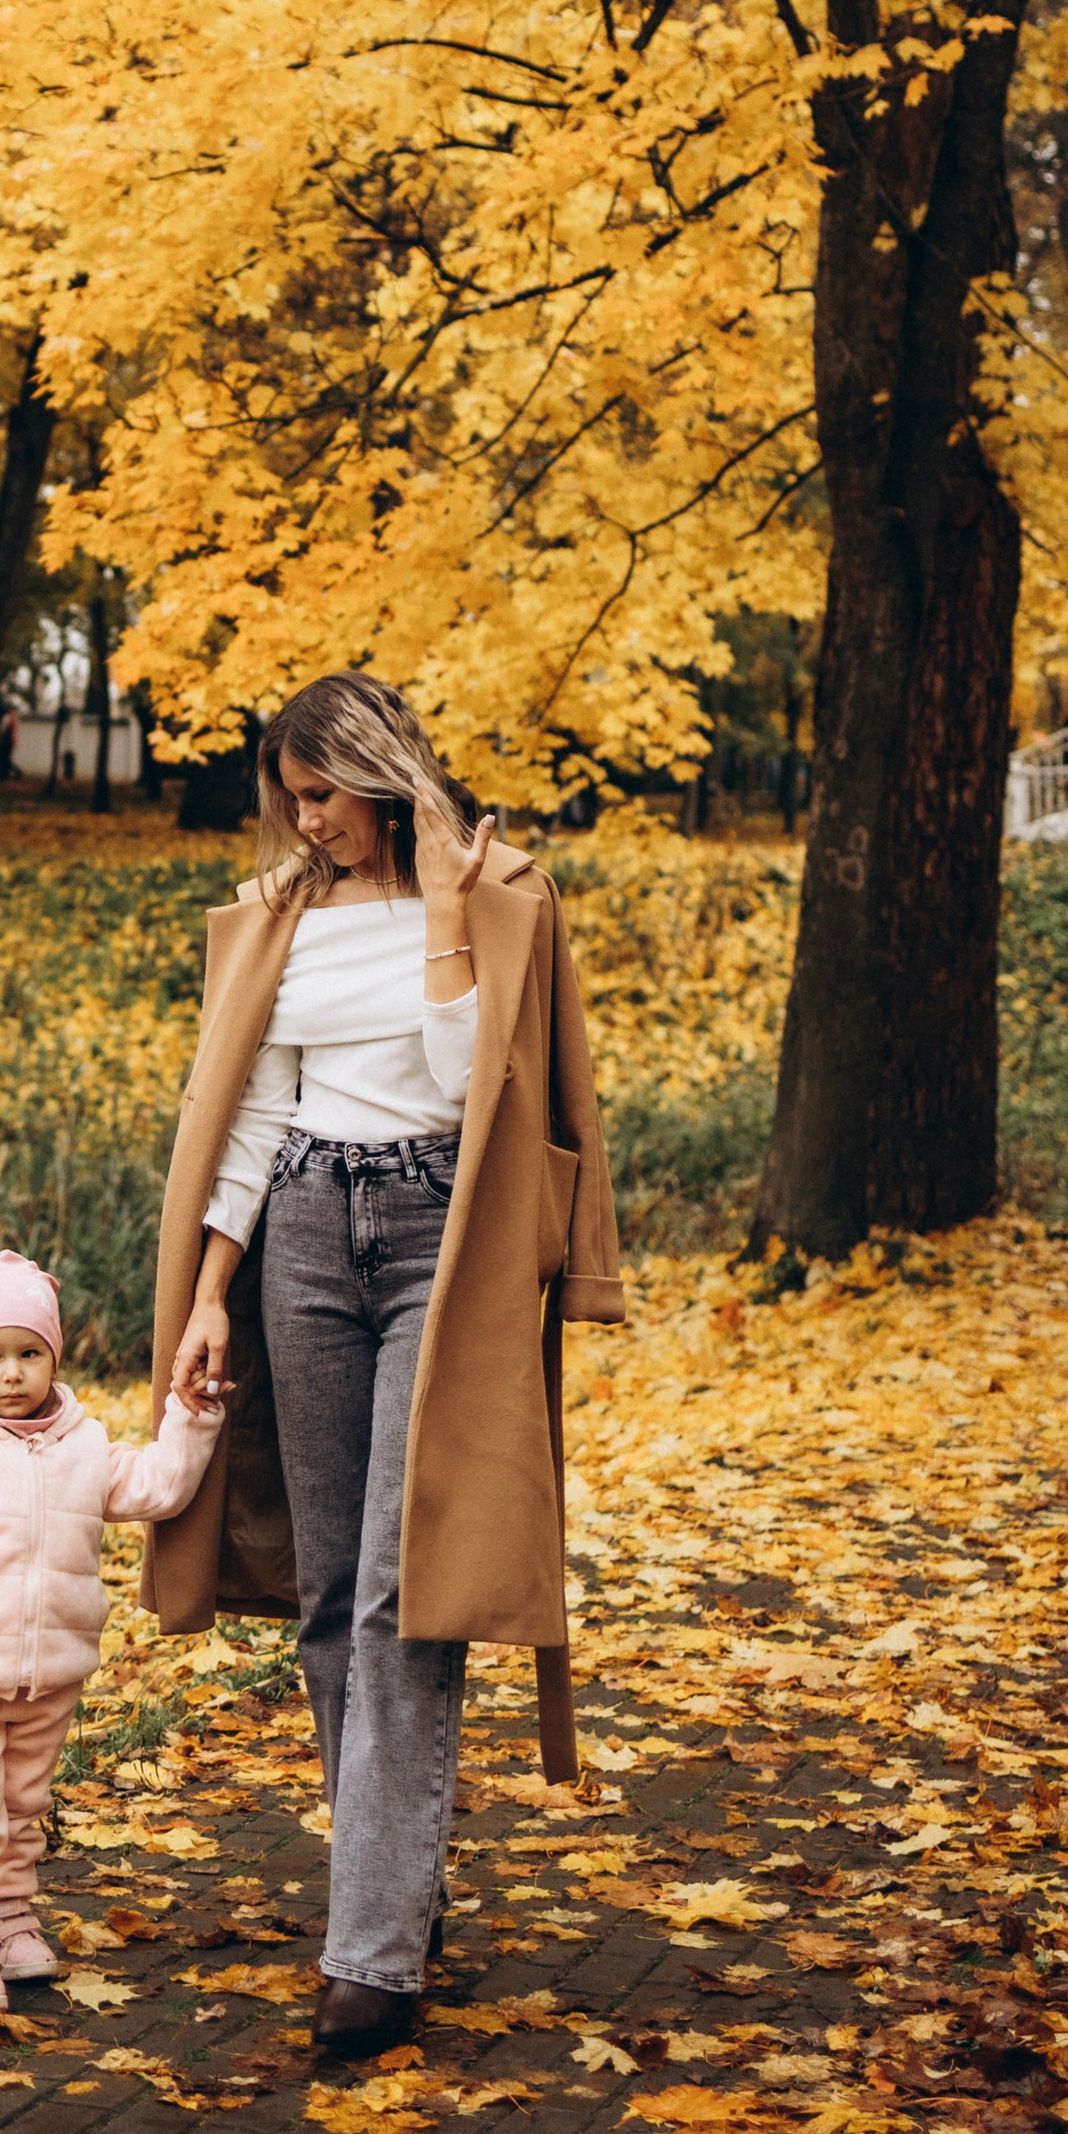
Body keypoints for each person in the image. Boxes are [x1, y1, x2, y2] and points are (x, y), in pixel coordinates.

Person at [153, 671, 625, 2058]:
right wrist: (210, 1296)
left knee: (398, 1585)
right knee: (322, 1591)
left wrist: (443, 926)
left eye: (325, 795)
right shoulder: (277, 915)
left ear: (380, 774)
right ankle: (398, 1895)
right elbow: (253, 1105)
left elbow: (472, 1079)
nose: (306, 822)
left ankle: (368, 1951)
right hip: (301, 1227)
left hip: (440, 1232)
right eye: (288, 799)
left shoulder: (498, 890)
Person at [0, 1247, 224, 2017]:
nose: (12, 1371)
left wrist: (191, 1417)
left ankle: (10, 1912)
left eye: (29, 1352)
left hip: (48, 1673)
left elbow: (160, 1485)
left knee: (22, 1804)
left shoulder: (83, 1446)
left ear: (54, 1356)